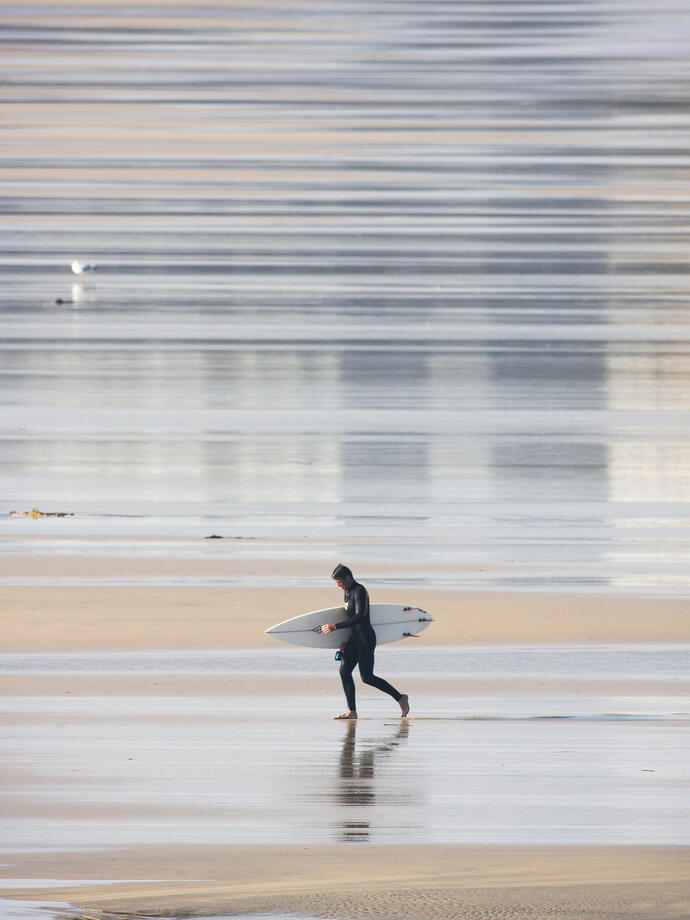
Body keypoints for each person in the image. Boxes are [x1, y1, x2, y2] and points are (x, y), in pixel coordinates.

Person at [315, 564, 410, 720]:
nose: (338, 585)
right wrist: (344, 640)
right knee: (344, 671)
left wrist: (335, 627)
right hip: (354, 638)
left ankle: (400, 698)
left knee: (367, 677)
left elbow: (359, 616)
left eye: (339, 581)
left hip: (365, 639)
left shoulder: (360, 591)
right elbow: (349, 618)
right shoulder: (347, 591)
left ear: (348, 577)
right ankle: (351, 711)